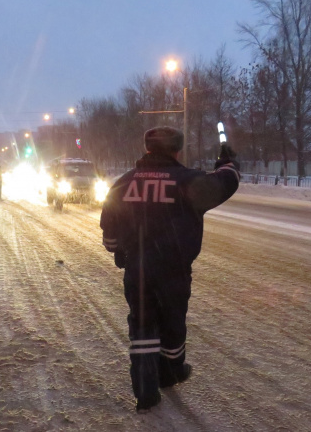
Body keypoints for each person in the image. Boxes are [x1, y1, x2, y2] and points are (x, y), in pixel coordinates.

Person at [99, 126, 240, 412]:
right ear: (178, 151)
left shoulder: (123, 184)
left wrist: (120, 251)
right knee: (173, 322)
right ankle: (170, 371)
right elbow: (227, 182)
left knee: (142, 324)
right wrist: (228, 162)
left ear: (147, 149)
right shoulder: (189, 182)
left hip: (137, 269)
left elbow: (110, 234)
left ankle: (145, 391)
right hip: (174, 270)